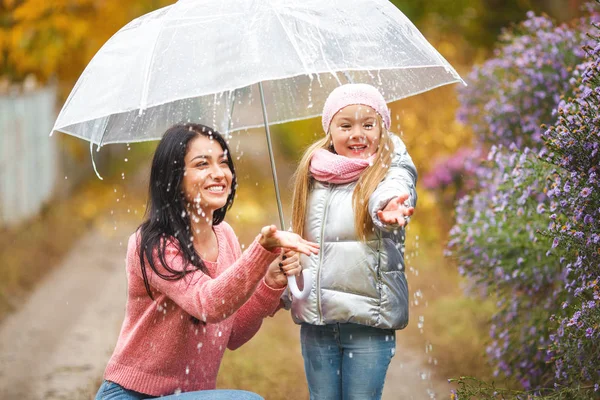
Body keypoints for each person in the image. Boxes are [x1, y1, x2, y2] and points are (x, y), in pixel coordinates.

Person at [95, 123, 319, 400]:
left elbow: (232, 333)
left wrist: (271, 282)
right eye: (202, 164)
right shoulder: (153, 244)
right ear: (174, 177)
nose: (218, 173)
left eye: (223, 163)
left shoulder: (224, 236)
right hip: (132, 395)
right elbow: (208, 304)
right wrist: (261, 251)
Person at [288, 83, 417, 400]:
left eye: (368, 124)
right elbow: (306, 239)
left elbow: (394, 189)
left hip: (368, 323)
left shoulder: (389, 168)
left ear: (382, 128)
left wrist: (389, 207)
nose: (357, 133)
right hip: (318, 325)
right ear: (329, 130)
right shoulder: (313, 172)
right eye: (345, 125)